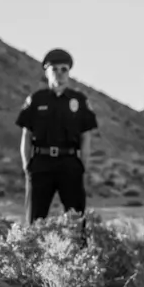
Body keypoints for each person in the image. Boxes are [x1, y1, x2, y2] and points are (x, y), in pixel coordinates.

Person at [16, 48, 98, 222]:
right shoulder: (36, 100)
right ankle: (33, 250)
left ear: (69, 73)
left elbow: (86, 137)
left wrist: (81, 166)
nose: (59, 74)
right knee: (35, 220)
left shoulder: (79, 100)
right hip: (41, 163)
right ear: (47, 72)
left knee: (76, 221)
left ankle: (78, 250)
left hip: (69, 163)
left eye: (64, 69)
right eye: (54, 69)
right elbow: (27, 135)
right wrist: (27, 166)